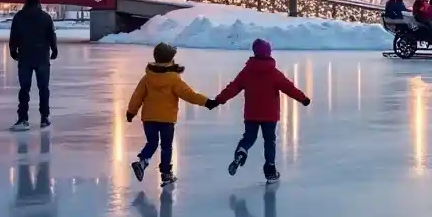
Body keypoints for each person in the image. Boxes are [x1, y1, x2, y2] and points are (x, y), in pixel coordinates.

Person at [212, 39, 311, 183]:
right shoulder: (273, 73)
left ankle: (242, 151)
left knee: (249, 137)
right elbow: (289, 88)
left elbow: (233, 87)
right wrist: (303, 99)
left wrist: (219, 100)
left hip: (251, 113)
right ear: (269, 53)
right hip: (270, 115)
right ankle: (270, 170)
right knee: (269, 141)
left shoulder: (247, 72)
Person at [126, 42, 218, 186]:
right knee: (166, 146)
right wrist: (206, 102)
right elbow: (189, 95)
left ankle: (142, 162)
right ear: (169, 60)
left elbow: (137, 96)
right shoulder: (173, 79)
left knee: (152, 143)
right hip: (166, 119)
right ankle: (166, 174)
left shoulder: (147, 78)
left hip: (149, 118)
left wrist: (131, 112)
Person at [9, 0, 58, 131]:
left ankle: (23, 118)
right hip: (42, 57)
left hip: (25, 57)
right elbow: (51, 35)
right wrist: (54, 49)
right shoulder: (45, 17)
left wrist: (13, 50)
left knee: (24, 89)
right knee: (43, 88)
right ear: (38, 0)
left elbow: (14, 36)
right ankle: (44, 118)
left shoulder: (19, 17)